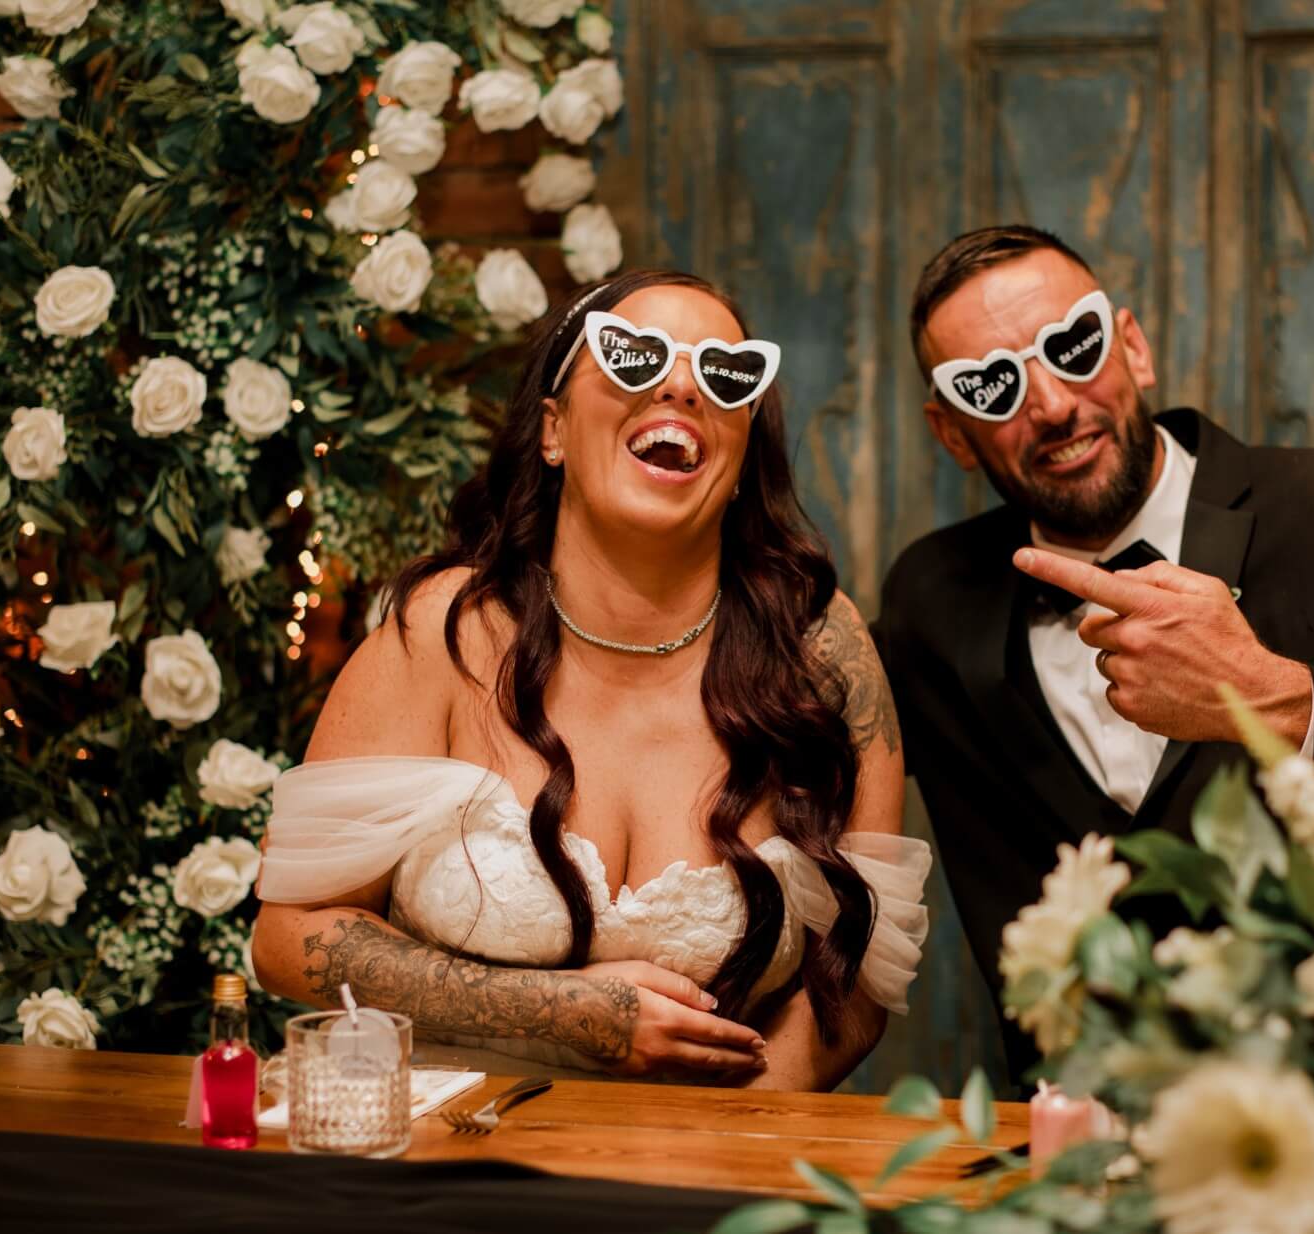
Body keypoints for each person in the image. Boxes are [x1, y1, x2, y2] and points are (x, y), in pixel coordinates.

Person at [873, 225, 1314, 1084]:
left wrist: (1277, 700)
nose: (1053, 405)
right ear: (953, 433)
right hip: (1072, 1162)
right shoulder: (932, 601)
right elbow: (766, 729)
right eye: (991, 386)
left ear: (1132, 347)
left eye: (1073, 346)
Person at [252, 270, 928, 1091]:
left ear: (745, 450)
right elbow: (290, 935)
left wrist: (724, 1148)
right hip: (448, 1167)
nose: (680, 385)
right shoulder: (444, 631)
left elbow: (861, 974)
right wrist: (567, 1013)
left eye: (725, 374)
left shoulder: (822, 647)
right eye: (634, 358)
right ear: (553, 431)